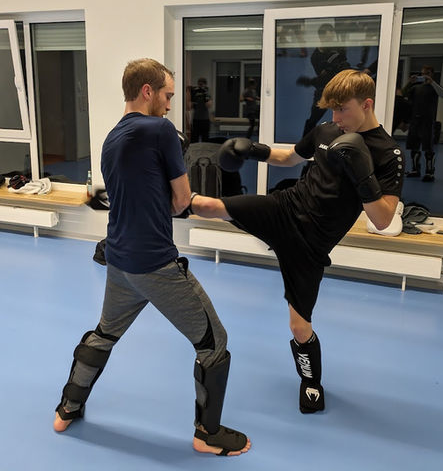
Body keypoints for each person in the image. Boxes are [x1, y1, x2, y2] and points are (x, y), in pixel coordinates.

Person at [53, 58, 250, 457]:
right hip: (155, 263)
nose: (170, 105)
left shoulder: (112, 137)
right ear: (148, 91)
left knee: (105, 333)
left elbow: (131, 196)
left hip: (119, 260)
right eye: (167, 95)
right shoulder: (160, 130)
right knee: (215, 343)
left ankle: (67, 408)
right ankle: (208, 434)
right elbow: (180, 203)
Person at [184, 69, 404, 414]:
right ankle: (142, 205)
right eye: (332, 110)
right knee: (209, 206)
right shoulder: (328, 130)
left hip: (311, 244)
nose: (336, 118)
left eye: (342, 109)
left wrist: (363, 174)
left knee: (299, 327)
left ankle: (311, 382)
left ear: (367, 104)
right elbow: (289, 158)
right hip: (284, 208)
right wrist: (253, 150)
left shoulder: (388, 153)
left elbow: (383, 219)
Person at [296, 24, 350, 136]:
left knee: (347, 117)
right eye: (329, 38)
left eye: (332, 37)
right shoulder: (316, 56)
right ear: (321, 37)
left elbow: (344, 64)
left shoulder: (337, 50)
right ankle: (305, 142)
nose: (331, 40)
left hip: (339, 88)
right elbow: (323, 75)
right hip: (324, 90)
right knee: (313, 118)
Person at [402, 65, 443, 182]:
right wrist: (409, 82)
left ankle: (429, 172)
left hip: (428, 121)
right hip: (415, 120)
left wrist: (432, 82)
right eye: (423, 73)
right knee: (414, 147)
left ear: (432, 74)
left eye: (427, 73)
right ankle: (415, 170)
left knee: (428, 148)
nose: (425, 75)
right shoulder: (416, 88)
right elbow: (402, 94)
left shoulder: (434, 87)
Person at [190, 77, 212, 143]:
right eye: (199, 84)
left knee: (205, 140)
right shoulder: (195, 92)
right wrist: (194, 96)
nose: (200, 86)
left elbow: (209, 105)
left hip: (205, 119)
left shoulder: (207, 92)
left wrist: (205, 95)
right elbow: (190, 107)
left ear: (205, 84)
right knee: (194, 139)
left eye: (202, 84)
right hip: (196, 119)